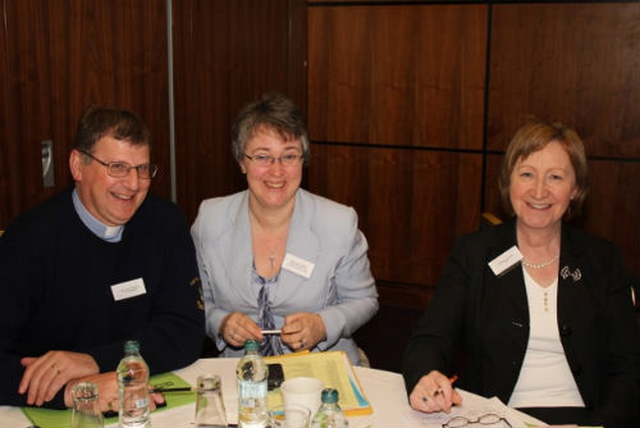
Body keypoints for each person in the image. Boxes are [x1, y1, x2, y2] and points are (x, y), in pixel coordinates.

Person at [402, 120, 639, 427]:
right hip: (495, 416)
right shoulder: (473, 253)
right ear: (508, 182)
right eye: (527, 174)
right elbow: (430, 339)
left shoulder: (602, 259)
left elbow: (630, 367)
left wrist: (596, 426)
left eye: (555, 177)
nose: (539, 191)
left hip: (585, 417)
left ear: (576, 188)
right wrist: (426, 375)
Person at [0, 106, 204, 411]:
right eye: (118, 167)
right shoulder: (28, 240)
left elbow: (185, 332)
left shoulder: (166, 223)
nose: (133, 184)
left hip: (146, 405)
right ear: (77, 166)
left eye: (143, 169)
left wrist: (94, 362)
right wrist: (75, 392)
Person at [191, 92, 378, 365]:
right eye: (263, 157)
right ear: (242, 162)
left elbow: (364, 300)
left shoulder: (338, 222)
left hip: (321, 372)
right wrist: (220, 322)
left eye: (289, 156)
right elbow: (195, 303)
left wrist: (323, 324)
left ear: (303, 160)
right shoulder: (211, 219)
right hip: (241, 375)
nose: (277, 172)